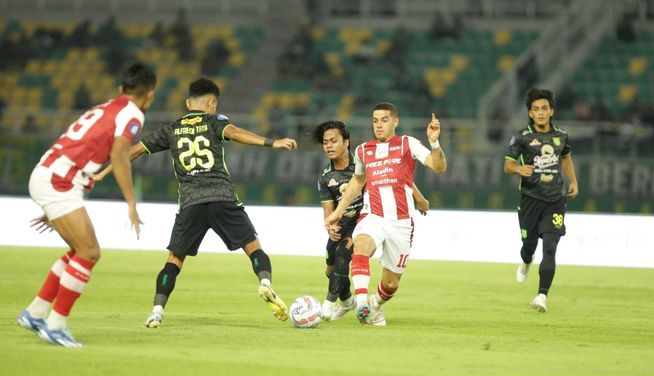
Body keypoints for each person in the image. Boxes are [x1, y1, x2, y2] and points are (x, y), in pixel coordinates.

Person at [95, 77, 297, 328]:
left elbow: (132, 151)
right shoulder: (215, 121)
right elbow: (235, 133)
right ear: (212, 103)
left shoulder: (171, 129)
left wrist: (102, 172)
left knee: (174, 261)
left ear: (188, 103)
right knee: (253, 247)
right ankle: (265, 282)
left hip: (191, 203)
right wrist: (272, 142)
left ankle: (157, 311)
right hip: (222, 197)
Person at [17, 61, 157, 347]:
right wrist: (131, 201)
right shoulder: (132, 114)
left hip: (51, 175)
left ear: (121, 89)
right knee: (89, 251)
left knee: (78, 251)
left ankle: (36, 312)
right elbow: (120, 155)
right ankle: (55, 325)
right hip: (59, 182)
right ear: (150, 95)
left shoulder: (106, 107)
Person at [324, 103, 447, 326]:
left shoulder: (407, 144)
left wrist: (435, 142)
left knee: (391, 285)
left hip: (401, 221)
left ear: (395, 121)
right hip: (373, 214)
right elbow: (358, 181)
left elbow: (438, 167)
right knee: (360, 244)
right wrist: (338, 212)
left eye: (384, 120)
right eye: (375, 121)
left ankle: (375, 305)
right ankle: (361, 302)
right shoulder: (363, 150)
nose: (378, 125)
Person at [504, 88, 579, 313]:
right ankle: (526, 261)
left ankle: (541, 295)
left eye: (544, 108)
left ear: (551, 111)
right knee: (529, 246)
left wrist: (573, 181)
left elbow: (566, 158)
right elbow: (507, 166)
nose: (540, 113)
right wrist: (518, 168)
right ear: (530, 113)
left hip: (555, 199)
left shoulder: (562, 135)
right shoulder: (521, 137)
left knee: (550, 247)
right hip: (530, 200)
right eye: (536, 109)